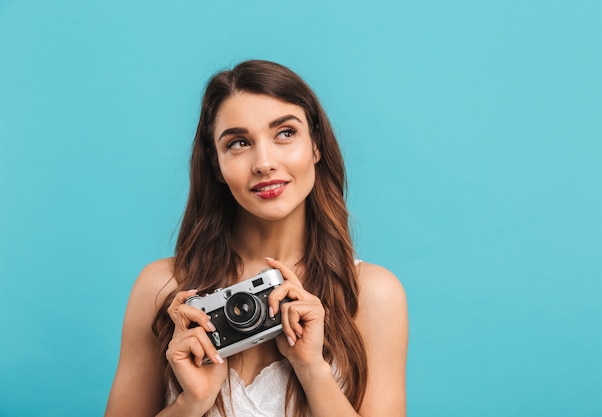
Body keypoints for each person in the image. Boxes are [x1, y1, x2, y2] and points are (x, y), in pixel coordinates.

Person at [104, 60, 408, 417]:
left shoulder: (372, 293)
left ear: (316, 145)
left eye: (285, 133)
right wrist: (192, 403)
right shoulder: (163, 288)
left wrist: (312, 370)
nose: (264, 162)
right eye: (238, 142)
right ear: (216, 165)